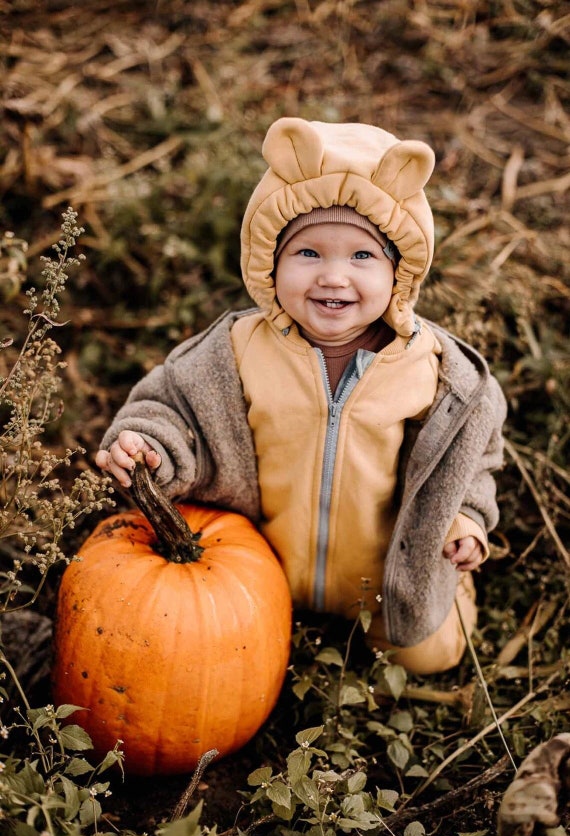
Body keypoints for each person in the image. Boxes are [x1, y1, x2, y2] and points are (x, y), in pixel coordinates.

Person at [96, 117, 507, 674]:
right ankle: (283, 625)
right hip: (259, 569)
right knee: (227, 656)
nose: (333, 277)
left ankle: (437, 602)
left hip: (385, 576)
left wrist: (466, 516)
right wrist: (150, 446)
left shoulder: (431, 372)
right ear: (269, 262)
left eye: (362, 257)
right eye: (308, 253)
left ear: (400, 270)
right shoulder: (235, 352)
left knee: (429, 656)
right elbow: (173, 408)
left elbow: (471, 455)